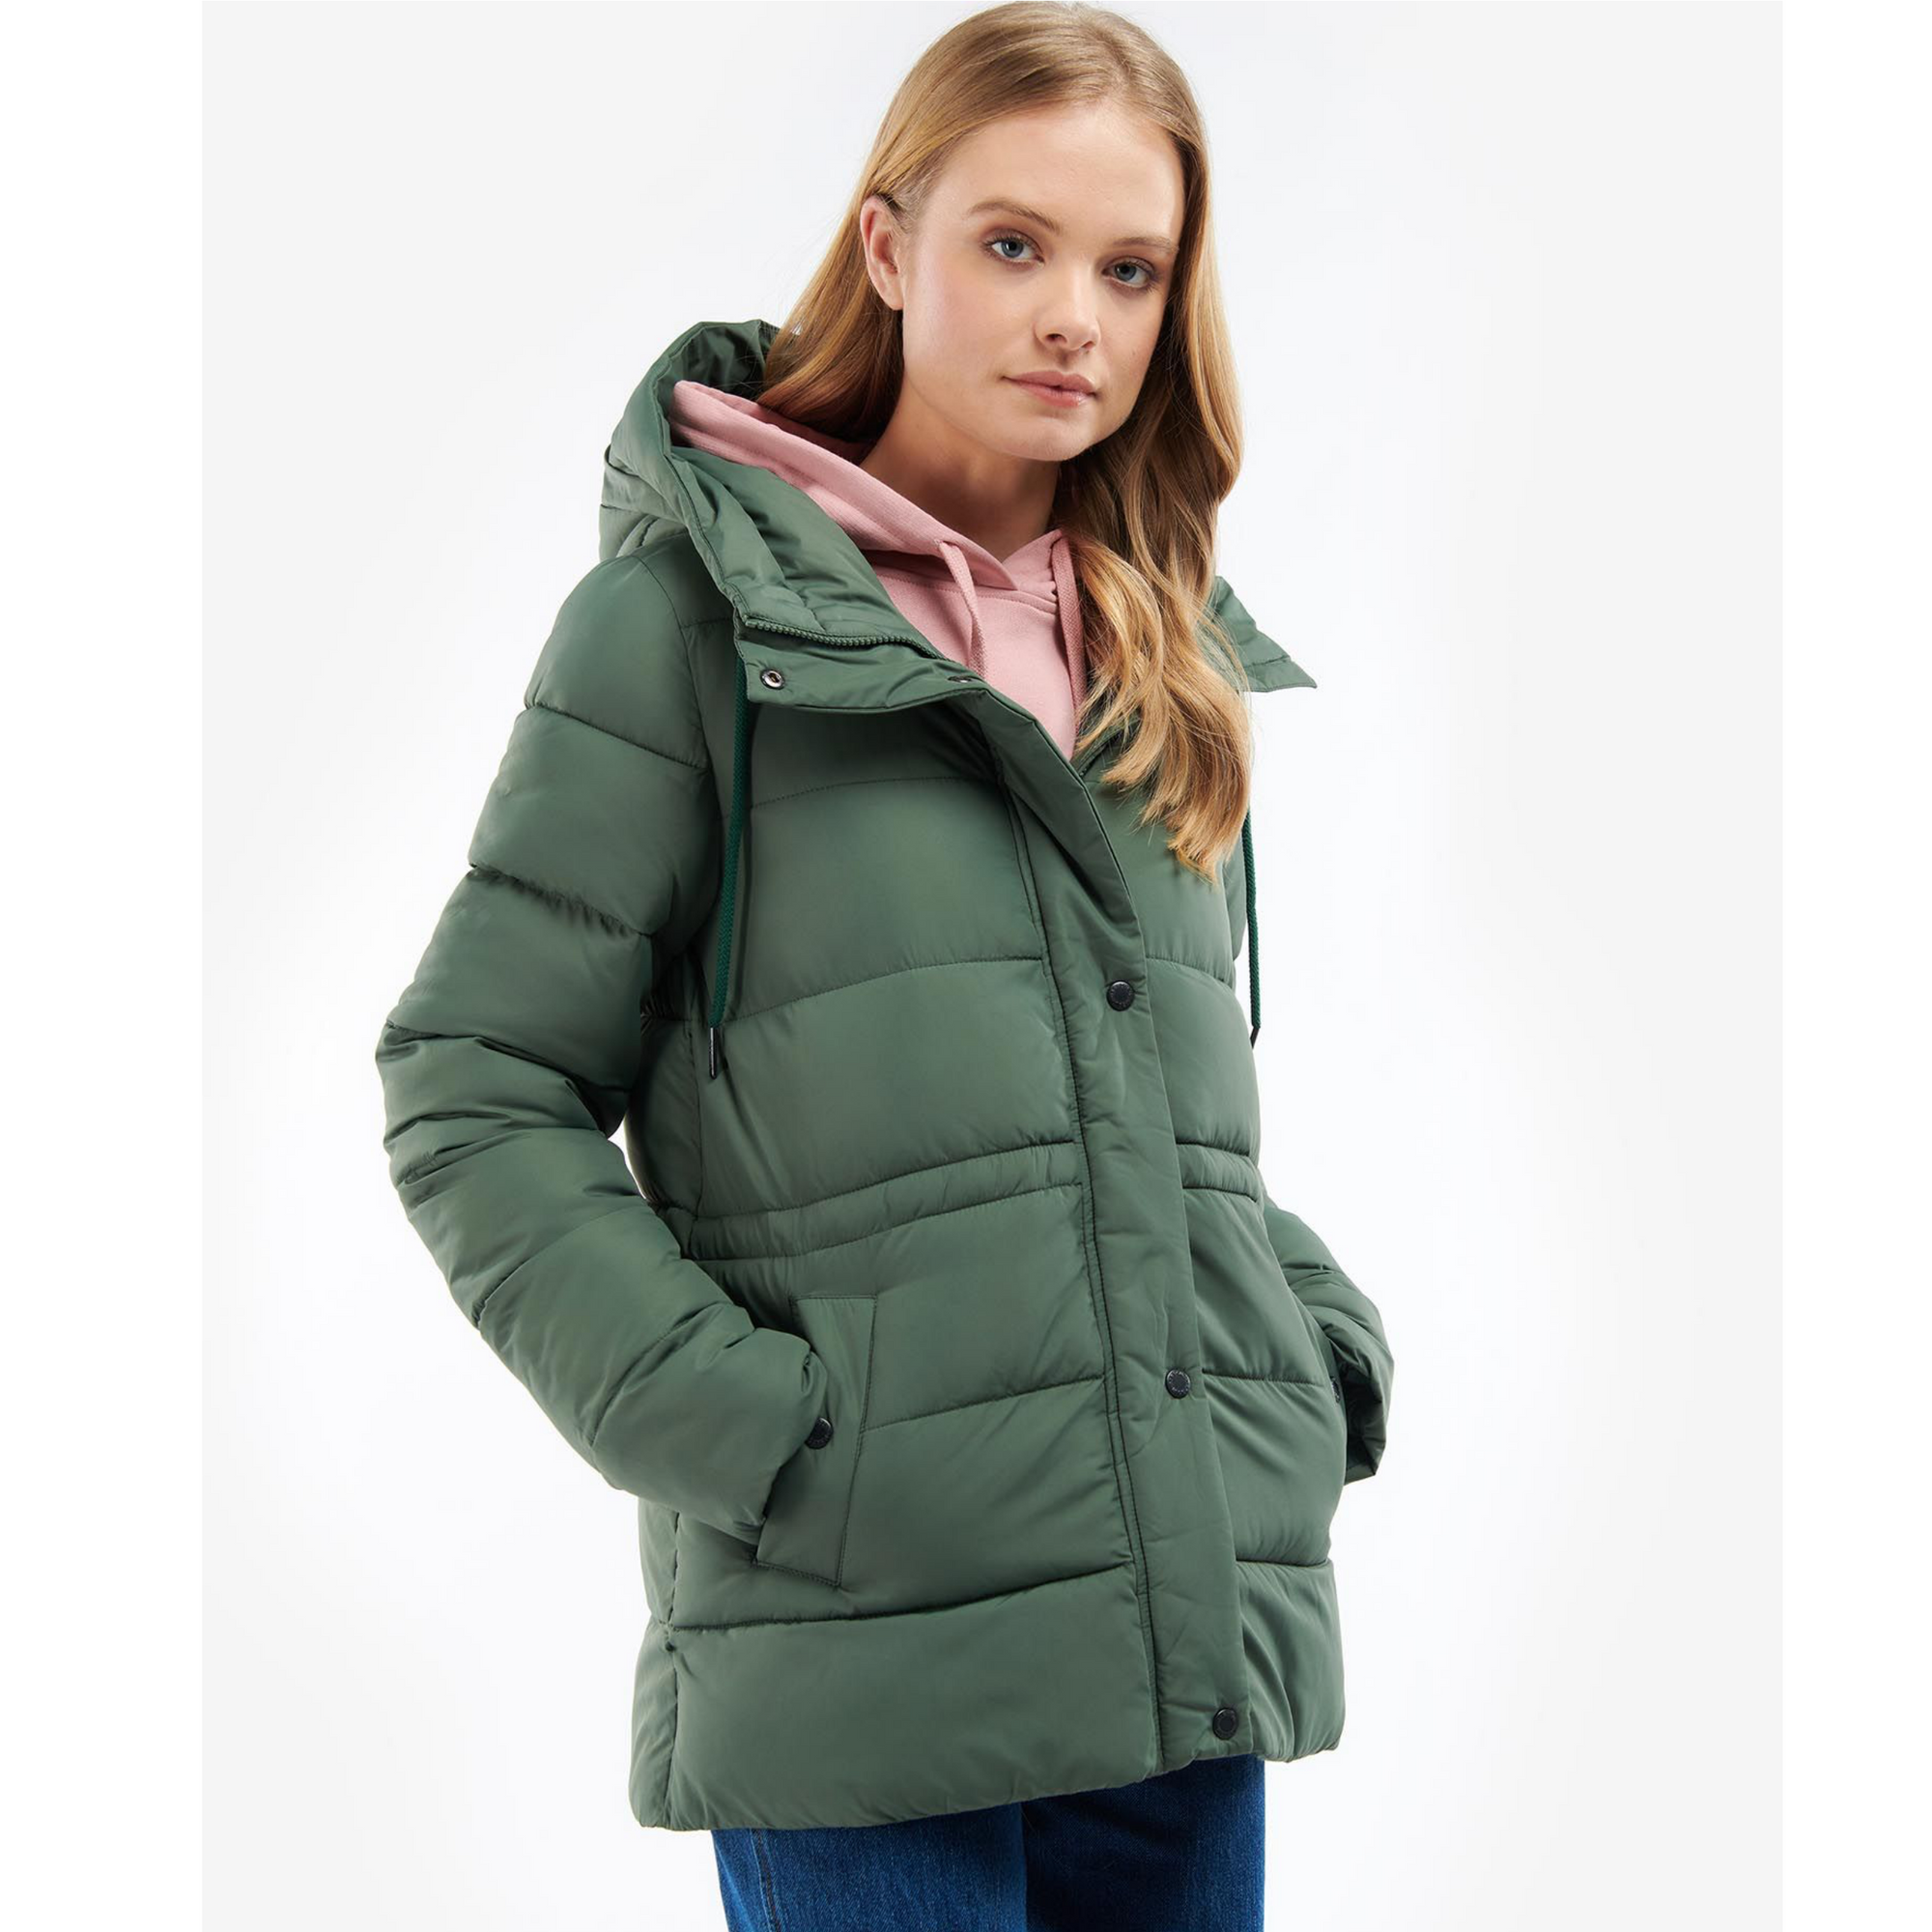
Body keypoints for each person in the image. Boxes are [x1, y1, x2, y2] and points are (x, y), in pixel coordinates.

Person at [374, 5, 1394, 1926]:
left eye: (1131, 269)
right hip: (857, 1672)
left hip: (1179, 1651)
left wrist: (1300, 1354)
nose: (1073, 317)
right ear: (888, 248)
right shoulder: (687, 627)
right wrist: (752, 1437)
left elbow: (1158, 1128)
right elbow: (473, 1081)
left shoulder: (1159, 658)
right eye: (1014, 244)